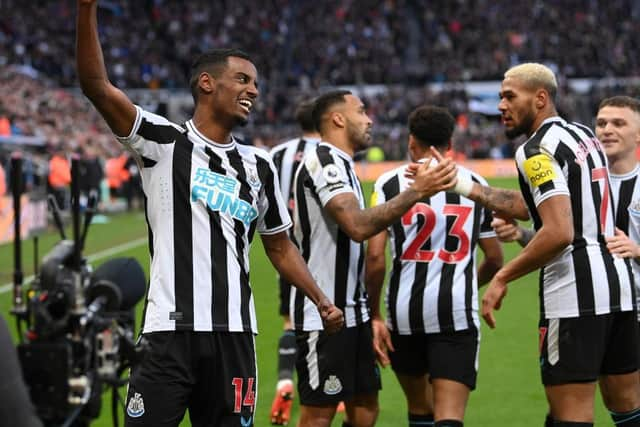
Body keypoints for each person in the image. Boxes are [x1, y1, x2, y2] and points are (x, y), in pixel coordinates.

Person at [76, 1, 344, 426]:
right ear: (206, 84)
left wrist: (321, 300)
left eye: (256, 83)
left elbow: (278, 245)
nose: (253, 90)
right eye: (242, 79)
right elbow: (96, 85)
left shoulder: (259, 165)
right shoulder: (163, 143)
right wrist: (87, 9)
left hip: (235, 336)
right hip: (168, 334)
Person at [442, 63, 640, 426]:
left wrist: (502, 276)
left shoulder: (535, 151)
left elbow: (559, 231)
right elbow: (534, 204)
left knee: (570, 415)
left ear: (540, 98)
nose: (501, 105)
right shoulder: (582, 135)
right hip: (621, 290)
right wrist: (463, 186)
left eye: (509, 96)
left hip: (575, 298)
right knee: (628, 409)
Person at [290, 90, 457, 427]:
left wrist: (371, 314)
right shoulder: (323, 161)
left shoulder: (343, 164)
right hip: (324, 313)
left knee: (366, 407)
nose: (369, 120)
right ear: (338, 118)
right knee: (319, 416)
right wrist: (416, 192)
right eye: (361, 111)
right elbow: (356, 226)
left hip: (354, 311)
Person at [365, 105, 503, 427]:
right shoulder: (474, 183)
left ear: (411, 142)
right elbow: (495, 257)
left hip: (403, 312)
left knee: (419, 411)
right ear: (450, 143)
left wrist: (374, 315)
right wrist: (466, 285)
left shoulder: (387, 184)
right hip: (454, 311)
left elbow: (374, 259)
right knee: (449, 417)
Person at [268, 98, 321, 425]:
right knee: (326, 319)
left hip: (286, 247)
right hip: (322, 249)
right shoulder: (330, 152)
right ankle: (329, 388)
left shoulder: (276, 154)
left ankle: (286, 381)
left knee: (290, 320)